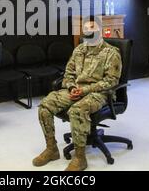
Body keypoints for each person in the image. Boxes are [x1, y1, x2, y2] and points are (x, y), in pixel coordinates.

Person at [33, 17, 122, 171]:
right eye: (86, 29)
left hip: (99, 93)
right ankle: (52, 149)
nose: (89, 32)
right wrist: (71, 87)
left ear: (100, 30)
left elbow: (111, 81)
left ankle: (80, 158)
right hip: (76, 90)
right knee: (45, 106)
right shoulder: (79, 50)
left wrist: (85, 90)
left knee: (77, 110)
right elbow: (68, 73)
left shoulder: (111, 53)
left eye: (92, 28)